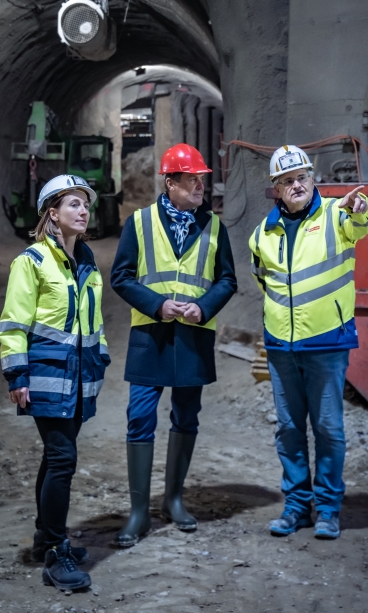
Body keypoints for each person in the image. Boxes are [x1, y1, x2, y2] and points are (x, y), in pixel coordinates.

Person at [111, 143, 237, 547]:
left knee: (187, 416)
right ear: (171, 183)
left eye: (202, 179)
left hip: (193, 336)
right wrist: (158, 305)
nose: (201, 186)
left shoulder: (215, 226)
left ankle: (174, 499)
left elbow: (227, 280)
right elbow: (122, 276)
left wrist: (203, 308)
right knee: (140, 417)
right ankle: (138, 512)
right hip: (151, 334)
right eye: (192, 180)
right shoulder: (140, 222)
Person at [249, 145, 368, 539]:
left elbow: (365, 223)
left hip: (326, 344)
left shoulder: (338, 215)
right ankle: (295, 507)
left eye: (302, 177)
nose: (297, 185)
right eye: (287, 181)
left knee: (328, 429)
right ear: (276, 189)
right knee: (288, 429)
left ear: (313, 178)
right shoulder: (262, 234)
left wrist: (361, 209)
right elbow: (263, 282)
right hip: (282, 348)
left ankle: (327, 509)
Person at [0, 174, 110, 590]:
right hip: (47, 376)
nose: (83, 211)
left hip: (80, 377)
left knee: (55, 457)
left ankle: (45, 539)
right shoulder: (32, 261)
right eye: (74, 205)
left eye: (85, 204)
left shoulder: (86, 259)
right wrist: (16, 373)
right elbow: (13, 323)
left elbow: (94, 318)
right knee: (63, 459)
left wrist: (103, 356)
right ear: (52, 214)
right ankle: (56, 553)